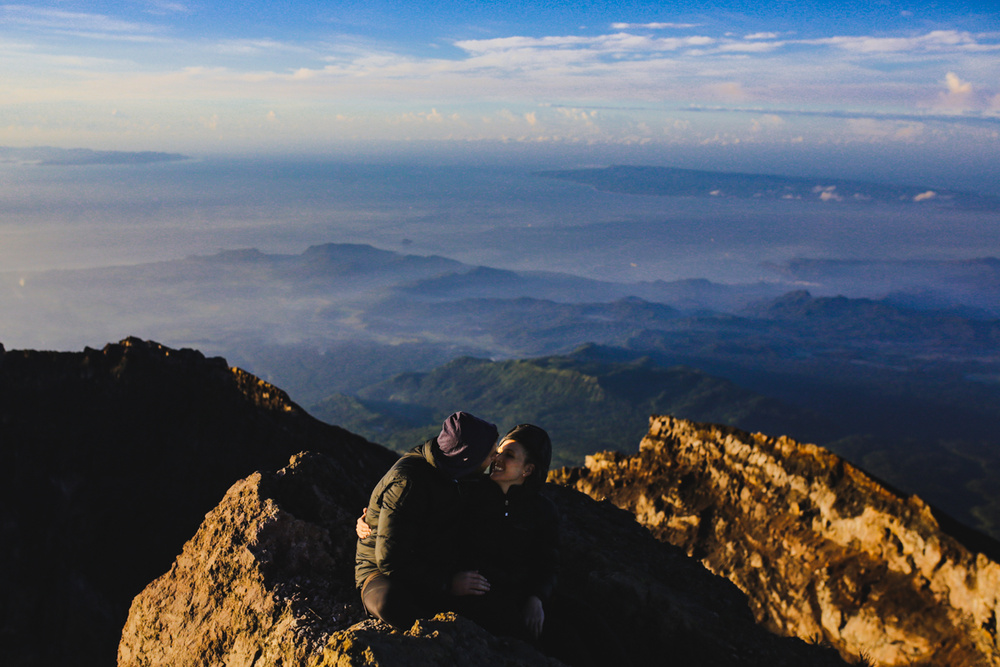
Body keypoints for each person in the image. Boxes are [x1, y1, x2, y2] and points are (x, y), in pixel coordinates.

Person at [356, 422, 559, 641]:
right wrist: (371, 521)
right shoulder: (471, 489)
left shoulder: (542, 511)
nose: (497, 459)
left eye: (507, 455)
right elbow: (406, 517)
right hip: (465, 584)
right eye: (496, 452)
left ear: (528, 469)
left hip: (501, 588)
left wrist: (536, 598)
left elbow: (547, 561)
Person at [355, 411, 499, 629]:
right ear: (468, 457)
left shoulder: (458, 470)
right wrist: (448, 583)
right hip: (381, 570)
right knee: (391, 603)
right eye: (490, 455)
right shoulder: (408, 483)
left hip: (429, 560)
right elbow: (389, 560)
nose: (495, 460)